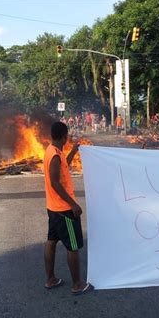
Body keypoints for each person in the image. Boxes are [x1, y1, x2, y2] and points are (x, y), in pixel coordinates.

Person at [43, 121, 93, 295]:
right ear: (64, 137)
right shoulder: (55, 155)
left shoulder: (54, 151)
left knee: (51, 241)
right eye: (67, 136)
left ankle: (50, 279)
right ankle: (77, 284)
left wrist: (74, 151)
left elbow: (65, 166)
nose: (68, 138)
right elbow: (55, 182)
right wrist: (73, 204)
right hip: (64, 209)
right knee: (73, 246)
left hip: (53, 207)